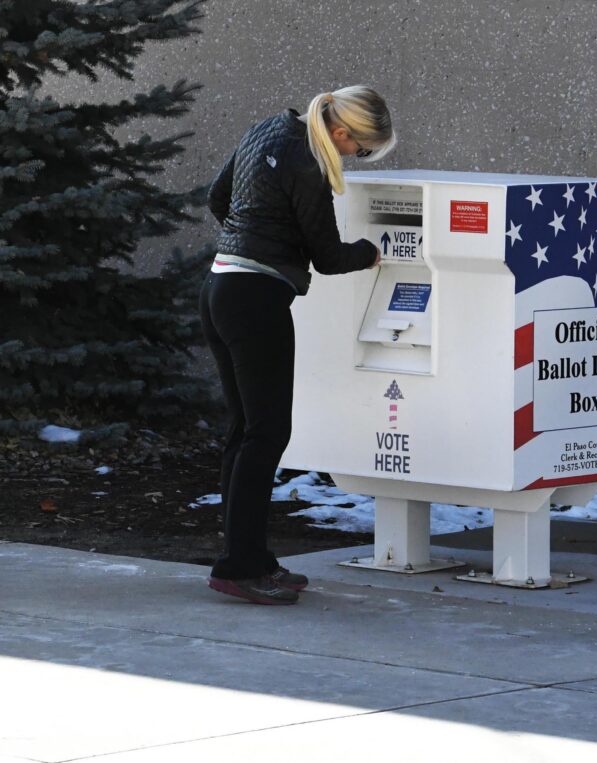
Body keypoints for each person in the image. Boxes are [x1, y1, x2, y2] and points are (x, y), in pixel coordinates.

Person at [202, 86, 396, 605]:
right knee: (267, 433)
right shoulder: (309, 162)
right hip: (256, 299)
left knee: (244, 430)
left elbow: (217, 197)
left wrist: (252, 239)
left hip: (219, 286)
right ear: (341, 132)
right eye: (361, 149)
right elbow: (329, 257)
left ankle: (249, 557)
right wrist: (371, 253)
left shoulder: (267, 128)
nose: (355, 158)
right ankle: (239, 567)